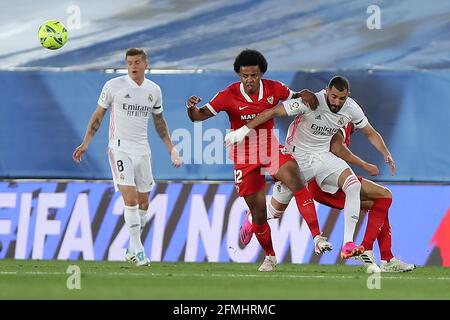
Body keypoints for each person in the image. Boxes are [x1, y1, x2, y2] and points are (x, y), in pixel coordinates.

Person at [186, 49, 332, 272]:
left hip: (269, 146)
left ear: (261, 73)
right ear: (239, 75)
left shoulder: (275, 88)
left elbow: (294, 96)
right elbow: (198, 117)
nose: (249, 80)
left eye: (254, 75)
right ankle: (270, 257)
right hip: (244, 156)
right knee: (259, 214)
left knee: (295, 179)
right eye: (245, 76)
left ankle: (317, 237)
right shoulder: (228, 95)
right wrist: (191, 108)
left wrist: (305, 92)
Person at [225, 76, 394, 259]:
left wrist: (386, 153)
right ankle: (252, 217)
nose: (337, 102)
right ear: (327, 91)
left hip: (322, 157)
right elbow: (273, 112)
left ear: (347, 96)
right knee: (274, 211)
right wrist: (242, 131)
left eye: (342, 98)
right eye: (334, 96)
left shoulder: (352, 108)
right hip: (296, 159)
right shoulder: (310, 102)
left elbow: (370, 133)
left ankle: (348, 244)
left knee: (353, 184)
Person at [240, 123, 416, 272]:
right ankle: (370, 250)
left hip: (305, 171)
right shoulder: (341, 120)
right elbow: (337, 147)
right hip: (321, 179)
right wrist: (364, 164)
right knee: (383, 196)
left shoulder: (330, 117)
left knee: (378, 202)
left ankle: (386, 258)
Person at [72, 48, 181, 266]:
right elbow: (98, 115)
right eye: (129, 62)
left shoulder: (154, 90)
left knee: (143, 202)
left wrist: (171, 148)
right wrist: (86, 143)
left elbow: (159, 122)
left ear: (145, 64)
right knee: (130, 199)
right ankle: (139, 250)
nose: (133, 66)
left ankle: (131, 250)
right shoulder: (113, 86)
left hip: (143, 150)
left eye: (137, 62)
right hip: (119, 148)